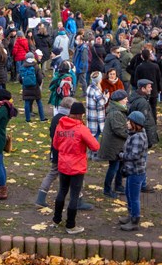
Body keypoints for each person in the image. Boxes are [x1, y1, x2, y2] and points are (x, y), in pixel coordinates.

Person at [51, 102, 100, 234]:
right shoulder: (81, 128)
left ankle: (56, 220)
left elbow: (55, 144)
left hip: (63, 164)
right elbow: (95, 146)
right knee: (74, 195)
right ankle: (70, 225)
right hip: (77, 166)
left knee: (62, 191)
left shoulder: (60, 125)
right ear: (80, 115)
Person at [36, 97, 75, 207]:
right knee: (74, 174)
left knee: (54, 173)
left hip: (56, 150)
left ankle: (40, 197)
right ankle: (78, 199)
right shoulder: (65, 119)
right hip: (63, 152)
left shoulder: (56, 117)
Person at [118, 111, 148, 231]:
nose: (127, 123)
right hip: (132, 170)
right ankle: (130, 215)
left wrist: (121, 155)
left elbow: (134, 155)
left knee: (134, 197)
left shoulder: (138, 137)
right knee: (129, 194)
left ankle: (135, 220)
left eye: (129, 121)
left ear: (135, 123)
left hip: (136, 171)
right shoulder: (134, 134)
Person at [98, 90, 129, 198]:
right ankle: (107, 189)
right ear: (119, 101)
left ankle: (118, 186)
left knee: (120, 165)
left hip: (117, 145)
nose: (127, 100)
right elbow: (118, 130)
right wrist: (130, 134)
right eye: (125, 99)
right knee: (114, 167)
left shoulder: (118, 110)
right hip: (113, 146)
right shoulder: (116, 112)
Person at [134, 49, 162, 122]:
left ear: (142, 56)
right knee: (153, 107)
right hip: (154, 89)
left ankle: (147, 121)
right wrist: (159, 88)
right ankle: (154, 121)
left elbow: (136, 79)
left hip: (143, 91)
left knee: (145, 107)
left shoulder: (139, 67)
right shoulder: (155, 66)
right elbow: (159, 78)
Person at [20, 52, 47, 122]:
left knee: (27, 102)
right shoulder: (36, 66)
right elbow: (40, 77)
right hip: (35, 87)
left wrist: (23, 84)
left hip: (26, 87)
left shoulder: (23, 66)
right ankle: (42, 118)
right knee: (39, 102)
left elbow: (20, 78)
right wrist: (38, 84)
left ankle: (27, 119)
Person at [86, 71, 108, 141]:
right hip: (96, 119)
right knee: (95, 138)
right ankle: (93, 151)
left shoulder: (89, 87)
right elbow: (102, 102)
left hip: (90, 117)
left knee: (92, 137)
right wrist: (106, 96)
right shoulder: (96, 90)